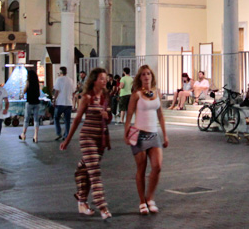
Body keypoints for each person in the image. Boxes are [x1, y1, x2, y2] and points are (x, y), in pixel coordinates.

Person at [60, 68, 113, 220]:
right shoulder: (87, 97)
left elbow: (108, 118)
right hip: (87, 137)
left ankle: (81, 200)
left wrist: (107, 116)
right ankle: (102, 206)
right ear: (94, 80)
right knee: (94, 170)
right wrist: (67, 140)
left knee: (85, 169)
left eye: (105, 78)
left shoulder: (106, 96)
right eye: (102, 78)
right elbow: (77, 120)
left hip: (100, 139)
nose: (105, 81)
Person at [125, 65, 168, 215]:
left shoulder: (156, 93)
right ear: (140, 77)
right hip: (139, 135)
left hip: (154, 135)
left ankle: (150, 198)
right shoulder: (136, 95)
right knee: (141, 169)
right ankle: (142, 201)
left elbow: (161, 115)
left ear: (152, 76)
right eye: (143, 74)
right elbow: (129, 114)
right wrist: (126, 133)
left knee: (157, 166)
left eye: (148, 74)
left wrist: (165, 134)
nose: (146, 76)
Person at [20, 67, 43, 143]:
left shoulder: (28, 82)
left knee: (26, 119)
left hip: (29, 102)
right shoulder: (37, 83)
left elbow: (24, 91)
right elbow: (39, 93)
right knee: (36, 120)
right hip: (36, 102)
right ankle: (36, 136)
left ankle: (23, 134)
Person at [52, 66, 74, 141]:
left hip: (60, 102)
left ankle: (59, 133)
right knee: (67, 120)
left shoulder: (59, 79)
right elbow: (73, 91)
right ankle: (66, 135)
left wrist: (54, 100)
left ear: (61, 73)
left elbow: (56, 91)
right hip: (69, 102)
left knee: (56, 117)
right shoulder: (70, 80)